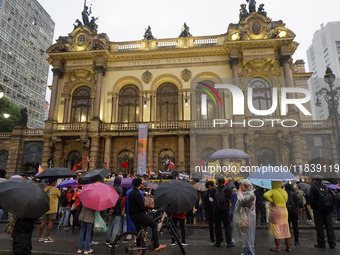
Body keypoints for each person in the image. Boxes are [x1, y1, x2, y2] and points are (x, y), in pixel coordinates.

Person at [128, 178, 166, 254]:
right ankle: (156, 245)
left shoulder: (131, 193)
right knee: (154, 225)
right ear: (139, 184)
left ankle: (139, 248)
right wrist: (147, 209)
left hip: (132, 215)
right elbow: (141, 207)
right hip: (139, 215)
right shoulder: (138, 193)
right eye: (141, 183)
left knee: (139, 231)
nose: (142, 185)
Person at [308, 175, 336, 249]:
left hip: (318, 211)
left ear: (315, 180)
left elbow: (311, 198)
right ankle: (332, 243)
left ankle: (321, 243)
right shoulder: (326, 187)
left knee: (320, 227)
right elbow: (333, 197)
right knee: (329, 227)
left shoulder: (313, 188)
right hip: (328, 210)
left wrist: (314, 207)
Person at [264, 181, 291, 252]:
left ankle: (277, 247)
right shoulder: (284, 191)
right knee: (285, 227)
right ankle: (288, 247)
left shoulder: (272, 191)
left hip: (275, 211)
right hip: (284, 210)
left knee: (276, 228)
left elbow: (265, 195)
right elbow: (286, 199)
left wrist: (271, 201)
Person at [209, 177, 234, 248]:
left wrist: (214, 205)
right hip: (225, 210)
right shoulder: (228, 189)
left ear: (217, 182)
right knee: (227, 226)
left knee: (217, 226)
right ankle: (229, 242)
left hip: (216, 210)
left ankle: (218, 242)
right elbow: (230, 199)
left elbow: (210, 199)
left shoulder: (213, 189)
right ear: (224, 182)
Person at [233, 179, 256, 255]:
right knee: (245, 236)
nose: (240, 186)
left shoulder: (251, 195)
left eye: (241, 185)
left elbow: (243, 202)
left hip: (248, 218)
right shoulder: (246, 193)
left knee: (248, 236)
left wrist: (239, 193)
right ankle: (247, 252)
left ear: (246, 186)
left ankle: (251, 253)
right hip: (244, 217)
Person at [38, 179, 61, 243]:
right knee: (51, 222)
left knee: (44, 221)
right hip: (53, 208)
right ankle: (47, 237)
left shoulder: (45, 189)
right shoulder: (56, 190)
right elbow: (59, 196)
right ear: (53, 182)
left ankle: (40, 237)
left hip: (46, 208)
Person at [106, 176, 123, 248]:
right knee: (116, 226)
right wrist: (114, 208)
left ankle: (107, 240)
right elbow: (118, 200)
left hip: (110, 207)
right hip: (117, 209)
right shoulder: (120, 189)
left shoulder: (110, 188)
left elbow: (108, 198)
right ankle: (112, 242)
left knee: (110, 225)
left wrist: (110, 208)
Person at [203, 181, 215, 245]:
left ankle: (216, 239)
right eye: (209, 186)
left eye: (211, 186)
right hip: (211, 213)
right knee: (212, 226)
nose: (210, 187)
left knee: (215, 226)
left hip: (213, 212)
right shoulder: (206, 194)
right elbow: (205, 205)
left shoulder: (206, 194)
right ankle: (213, 239)